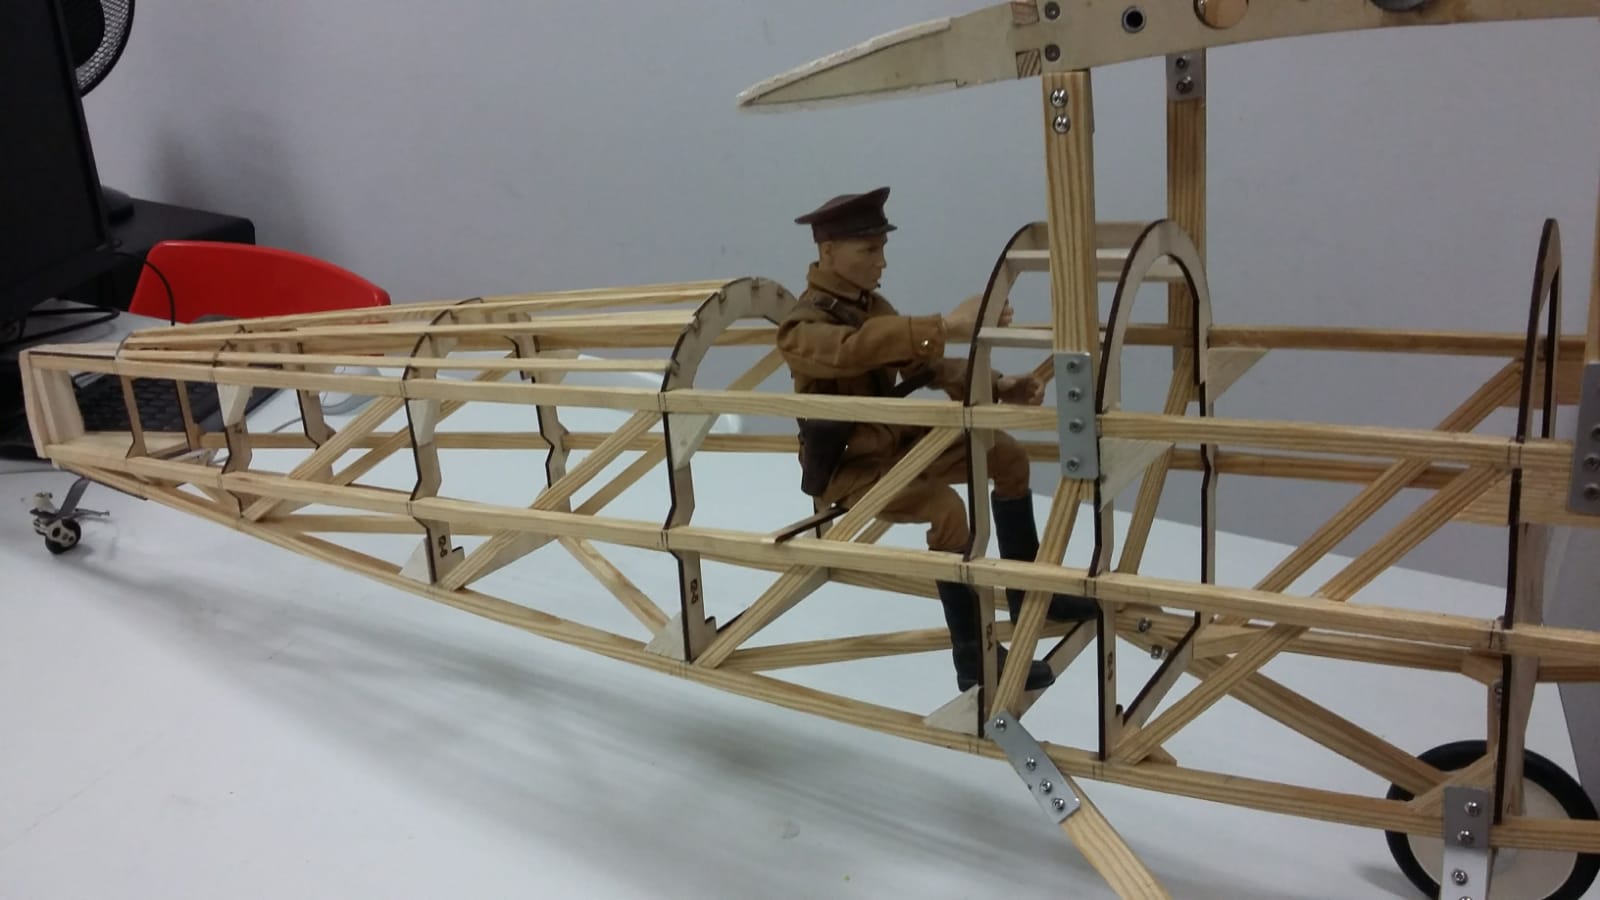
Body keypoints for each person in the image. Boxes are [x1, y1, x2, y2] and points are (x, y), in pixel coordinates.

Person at [775, 186, 1098, 694]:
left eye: (883, 248)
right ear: (828, 250)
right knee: (947, 511)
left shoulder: (870, 307)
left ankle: (1031, 594)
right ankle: (973, 655)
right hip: (852, 468)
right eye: (869, 250)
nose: (881, 262)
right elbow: (852, 351)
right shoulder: (801, 327)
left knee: (1007, 456)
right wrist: (944, 324)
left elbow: (924, 365)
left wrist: (1000, 385)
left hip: (897, 447)